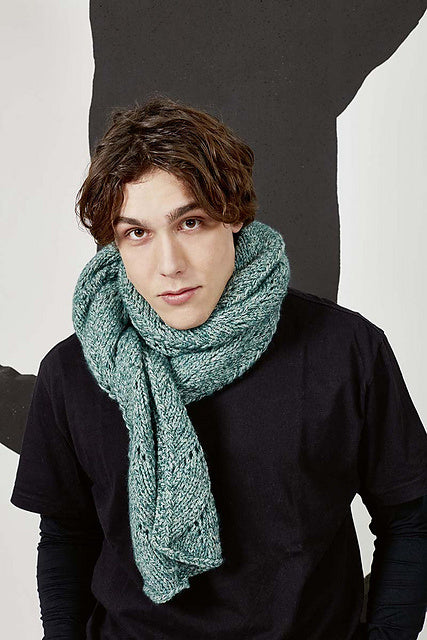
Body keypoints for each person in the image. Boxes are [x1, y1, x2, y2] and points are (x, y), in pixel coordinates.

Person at [10, 95, 427, 640]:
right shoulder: (72, 371)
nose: (169, 265)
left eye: (191, 222)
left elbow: (412, 518)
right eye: (137, 232)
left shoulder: (344, 349)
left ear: (233, 215)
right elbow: (66, 537)